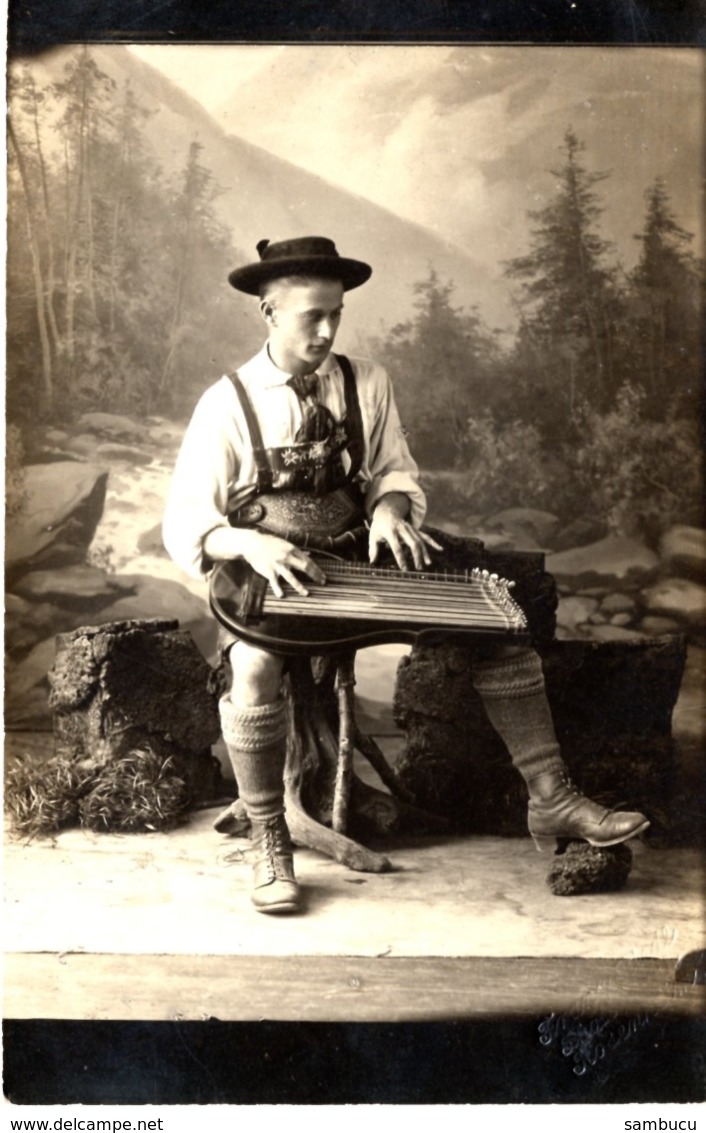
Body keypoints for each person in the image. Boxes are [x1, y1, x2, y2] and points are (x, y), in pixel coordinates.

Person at [163, 235, 649, 916]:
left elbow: (394, 467)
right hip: (278, 574)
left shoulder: (368, 381)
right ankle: (271, 834)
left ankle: (553, 799)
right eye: (311, 316)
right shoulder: (228, 402)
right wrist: (245, 540)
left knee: (499, 620)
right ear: (269, 311)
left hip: (361, 558)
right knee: (253, 666)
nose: (328, 330)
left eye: (337, 314)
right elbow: (186, 517)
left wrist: (390, 507)